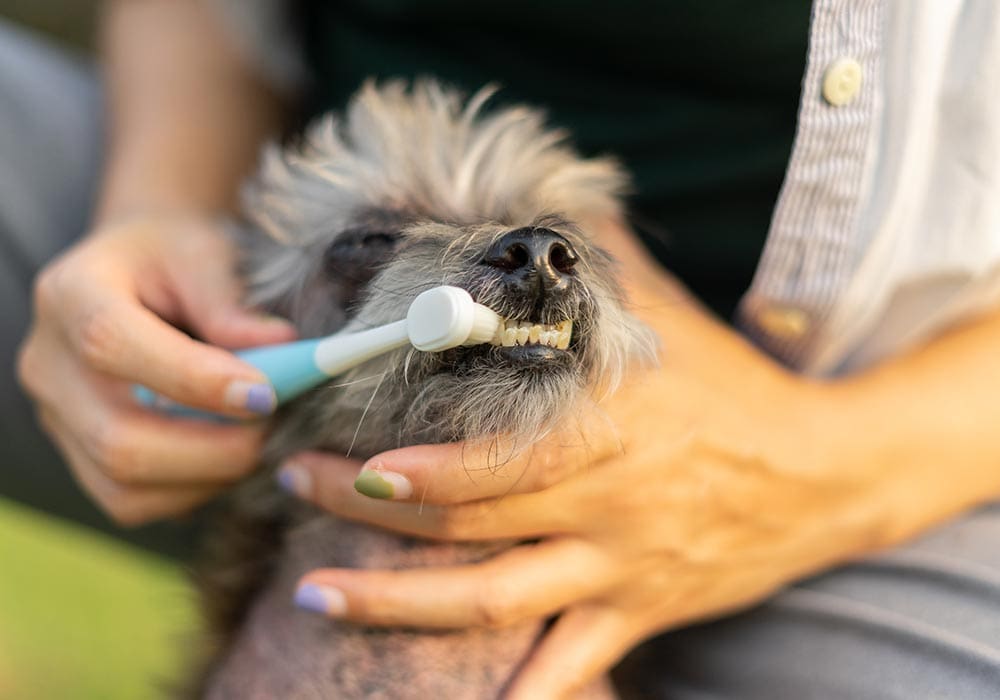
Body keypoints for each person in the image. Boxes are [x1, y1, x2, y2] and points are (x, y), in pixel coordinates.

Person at [9, 0, 1000, 697]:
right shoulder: (260, 303)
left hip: (923, 437)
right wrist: (162, 200)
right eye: (374, 244)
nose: (531, 259)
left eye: (563, 241)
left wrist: (830, 464)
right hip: (254, 301)